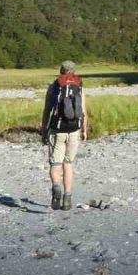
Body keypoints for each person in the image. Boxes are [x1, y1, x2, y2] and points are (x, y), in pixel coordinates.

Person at [41, 60, 88, 211]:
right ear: (74, 71)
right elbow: (83, 112)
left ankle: (56, 187)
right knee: (68, 164)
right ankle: (67, 199)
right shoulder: (79, 86)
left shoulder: (54, 86)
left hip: (57, 130)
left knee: (55, 164)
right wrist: (84, 130)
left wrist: (44, 130)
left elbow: (47, 110)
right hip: (74, 130)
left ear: (61, 70)